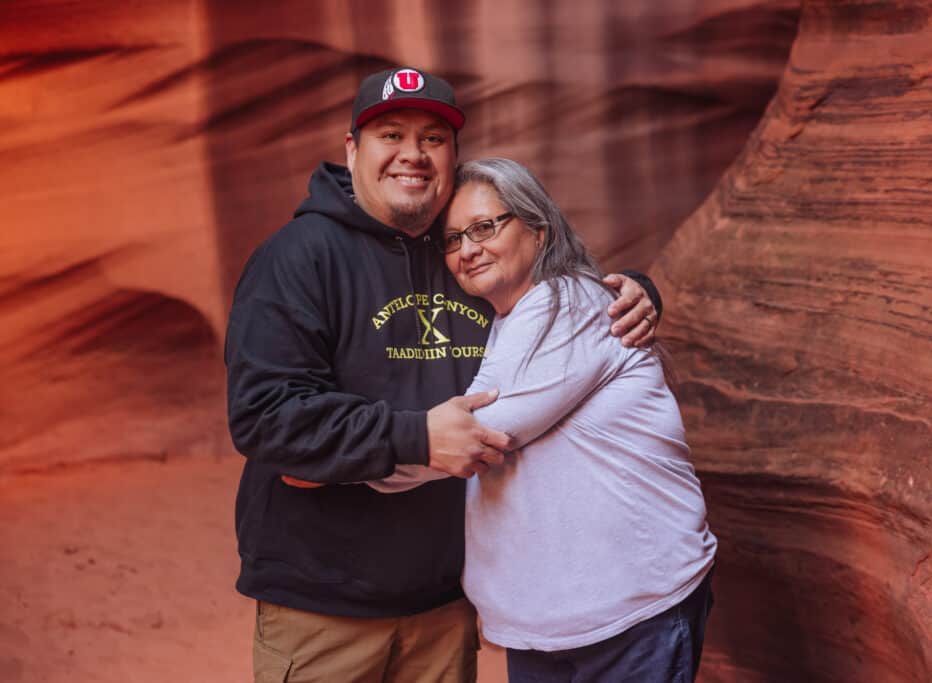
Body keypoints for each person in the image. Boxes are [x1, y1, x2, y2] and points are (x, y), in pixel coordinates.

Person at [224, 67, 662, 682]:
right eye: (391, 135)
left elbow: (561, 298)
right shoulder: (296, 259)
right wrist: (414, 437)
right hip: (324, 605)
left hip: (445, 602)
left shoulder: (466, 250)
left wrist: (636, 292)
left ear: (454, 156)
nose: (413, 154)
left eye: (433, 138)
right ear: (352, 151)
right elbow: (265, 417)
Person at [378, 157, 716, 682]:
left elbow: (473, 437)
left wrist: (343, 460)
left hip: (630, 611)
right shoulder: (501, 322)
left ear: (538, 230)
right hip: (552, 621)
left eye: (485, 227)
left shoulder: (570, 305)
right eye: (452, 240)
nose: (467, 250)